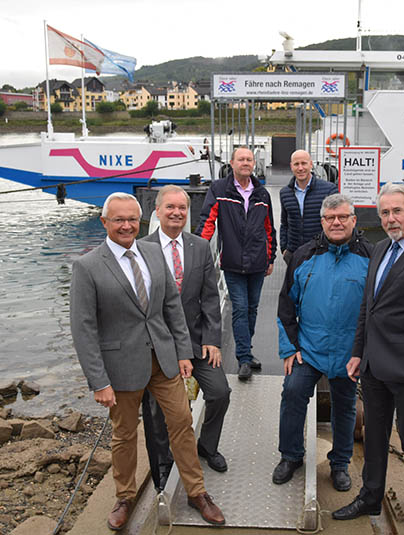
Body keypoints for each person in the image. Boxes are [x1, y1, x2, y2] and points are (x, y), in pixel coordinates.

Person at [70, 193, 225, 529]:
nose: (126, 226)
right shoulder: (88, 267)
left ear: (140, 221)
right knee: (124, 435)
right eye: (118, 220)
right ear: (105, 223)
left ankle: (197, 492)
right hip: (121, 367)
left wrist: (184, 352)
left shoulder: (153, 252)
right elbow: (83, 330)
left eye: (131, 220)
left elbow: (172, 306)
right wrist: (99, 381)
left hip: (164, 359)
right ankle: (124, 497)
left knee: (182, 423)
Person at [332, 183, 404, 535]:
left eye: (397, 211)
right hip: (373, 365)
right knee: (373, 437)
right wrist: (357, 353)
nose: (390, 218)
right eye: (384, 212)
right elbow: (367, 309)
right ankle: (370, 495)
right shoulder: (381, 249)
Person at [274, 193, 373, 491]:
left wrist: (366, 352)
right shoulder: (304, 256)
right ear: (322, 222)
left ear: (354, 220)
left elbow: (378, 310)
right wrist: (289, 348)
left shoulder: (371, 257)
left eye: (343, 217)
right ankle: (291, 456)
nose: (336, 222)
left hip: (349, 353)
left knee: (345, 406)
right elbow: (285, 306)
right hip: (309, 349)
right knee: (292, 393)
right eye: (330, 218)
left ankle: (340, 464)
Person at [141, 185, 232, 480]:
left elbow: (209, 298)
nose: (177, 213)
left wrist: (212, 340)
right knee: (157, 410)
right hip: (160, 347)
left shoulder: (200, 247)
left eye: (182, 208)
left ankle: (206, 446)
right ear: (157, 211)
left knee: (219, 393)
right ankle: (165, 462)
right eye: (170, 207)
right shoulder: (142, 250)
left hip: (197, 342)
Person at [196, 147, 276, 381]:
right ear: (232, 163)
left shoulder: (262, 194)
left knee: (252, 310)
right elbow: (207, 221)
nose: (245, 163)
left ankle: (246, 351)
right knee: (240, 309)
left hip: (258, 263)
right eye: (241, 159)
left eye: (249, 159)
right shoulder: (219, 189)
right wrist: (198, 251)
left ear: (254, 164)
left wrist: (270, 258)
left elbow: (269, 229)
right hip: (232, 262)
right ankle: (243, 357)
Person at [278, 149, 338, 264]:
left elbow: (337, 222)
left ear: (311, 164)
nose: (300, 168)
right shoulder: (285, 193)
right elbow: (284, 223)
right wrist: (284, 249)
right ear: (291, 166)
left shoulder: (329, 190)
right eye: (296, 164)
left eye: (304, 163)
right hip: (294, 255)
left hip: (322, 254)